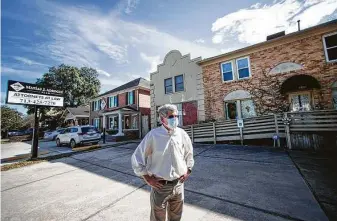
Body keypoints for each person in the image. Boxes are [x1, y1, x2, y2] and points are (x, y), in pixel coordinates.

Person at [131, 104, 194, 221]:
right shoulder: (153, 135)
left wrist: (188, 170)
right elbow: (137, 158)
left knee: (176, 217)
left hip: (179, 184)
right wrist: (147, 178)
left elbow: (189, 153)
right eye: (171, 117)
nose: (175, 119)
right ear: (162, 118)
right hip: (160, 186)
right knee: (158, 218)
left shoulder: (181, 133)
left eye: (176, 116)